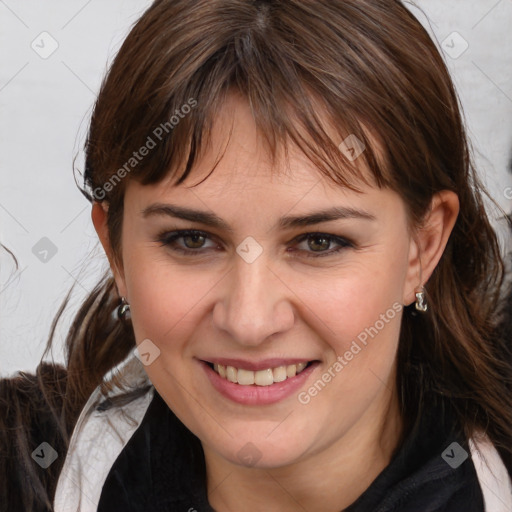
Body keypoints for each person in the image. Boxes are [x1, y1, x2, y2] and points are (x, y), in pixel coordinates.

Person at [1, 1, 512, 511]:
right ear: (116, 251)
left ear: (421, 249)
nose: (249, 321)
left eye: (319, 242)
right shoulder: (22, 473)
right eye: (191, 240)